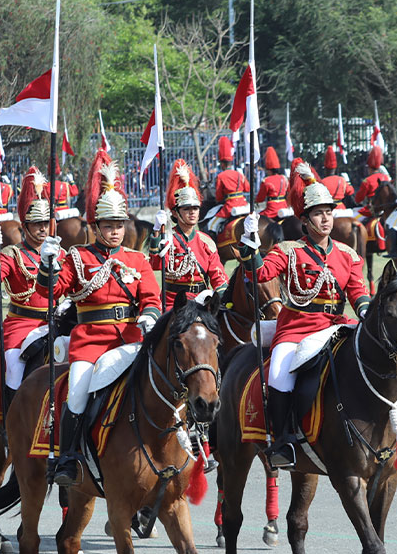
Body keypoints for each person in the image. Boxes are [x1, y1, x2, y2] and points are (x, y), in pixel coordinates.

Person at [240, 161, 371, 468]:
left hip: (335, 325)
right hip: (297, 328)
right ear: (304, 219)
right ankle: (283, 441)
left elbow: (357, 291)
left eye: (329, 212)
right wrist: (250, 247)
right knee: (278, 374)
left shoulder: (348, 255)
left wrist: (366, 312)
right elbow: (260, 274)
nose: (325, 219)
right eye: (318, 213)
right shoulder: (288, 250)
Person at [42, 149, 161, 486]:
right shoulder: (78, 257)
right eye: (109, 226)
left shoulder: (137, 260)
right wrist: (48, 266)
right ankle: (68, 458)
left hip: (130, 339)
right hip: (91, 343)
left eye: (119, 225)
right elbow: (53, 291)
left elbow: (151, 298)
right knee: (77, 393)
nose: (115, 232)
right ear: (96, 227)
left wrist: (150, 316)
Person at [0, 168, 60, 416]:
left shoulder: (60, 253)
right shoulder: (12, 254)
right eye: (37, 224)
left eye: (46, 224)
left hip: (55, 321)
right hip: (22, 323)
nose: (43, 229)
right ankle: (12, 416)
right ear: (25, 226)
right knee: (14, 366)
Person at [149, 159, 228, 307]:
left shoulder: (206, 241)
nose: (192, 212)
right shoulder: (167, 238)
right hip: (173, 303)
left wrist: (224, 296)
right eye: (186, 209)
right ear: (176, 213)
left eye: (195, 208)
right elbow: (155, 264)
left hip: (202, 302)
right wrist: (156, 233)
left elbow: (218, 276)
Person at [207, 135, 250, 234]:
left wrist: (220, 199)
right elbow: (247, 188)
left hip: (230, 206)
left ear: (222, 164)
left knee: (211, 225)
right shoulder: (240, 174)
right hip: (243, 204)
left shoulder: (221, 176)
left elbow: (219, 196)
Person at [354, 146, 392, 250]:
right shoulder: (386, 177)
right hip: (386, 210)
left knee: (353, 220)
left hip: (371, 210)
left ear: (369, 167)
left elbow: (358, 199)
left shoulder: (367, 181)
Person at [256, 146, 292, 221]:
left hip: (271, 210)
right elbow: (289, 192)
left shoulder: (266, 180)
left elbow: (260, 199)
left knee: (256, 220)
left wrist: (256, 201)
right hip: (284, 207)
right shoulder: (284, 178)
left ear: (269, 170)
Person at [319, 145, 355, 219]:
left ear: (325, 168)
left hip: (328, 211)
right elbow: (351, 191)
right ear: (335, 168)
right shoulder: (342, 180)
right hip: (342, 209)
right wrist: (348, 182)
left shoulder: (321, 182)